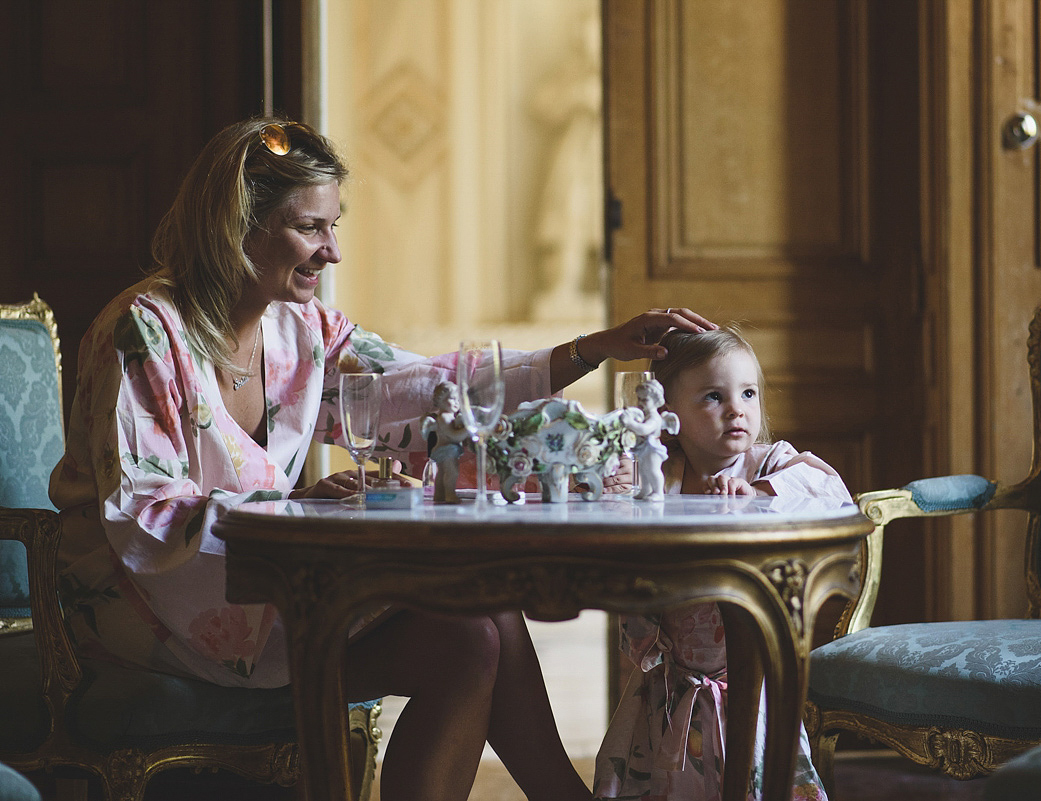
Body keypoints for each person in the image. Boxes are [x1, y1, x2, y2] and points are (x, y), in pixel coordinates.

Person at [46, 115, 716, 801]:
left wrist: (592, 348)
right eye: (310, 227)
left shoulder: (301, 330)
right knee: (470, 629)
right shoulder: (146, 331)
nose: (332, 251)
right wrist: (299, 512)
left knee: (475, 628)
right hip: (148, 608)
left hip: (275, 586)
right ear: (237, 226)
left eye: (335, 226)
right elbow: (146, 518)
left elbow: (434, 393)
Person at [592, 325, 853, 801]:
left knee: (756, 784)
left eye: (748, 392)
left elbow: (831, 492)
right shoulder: (660, 474)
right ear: (668, 415)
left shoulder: (768, 464)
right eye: (714, 396)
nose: (738, 408)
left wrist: (758, 493)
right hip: (667, 690)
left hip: (748, 690)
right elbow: (606, 499)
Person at [619, 377, 678, 501]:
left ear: (656, 400)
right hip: (644, 447)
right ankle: (646, 490)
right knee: (643, 470)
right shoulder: (645, 414)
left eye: (645, 399)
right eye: (639, 399)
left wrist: (630, 423)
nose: (640, 402)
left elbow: (644, 429)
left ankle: (658, 492)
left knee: (653, 470)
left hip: (653, 448)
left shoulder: (655, 417)